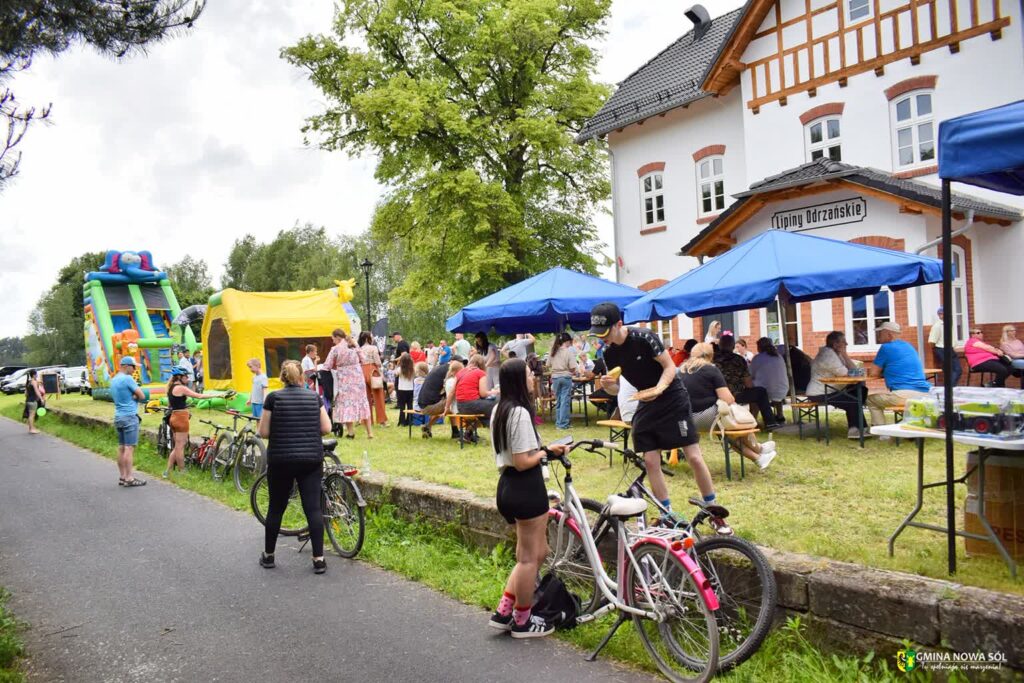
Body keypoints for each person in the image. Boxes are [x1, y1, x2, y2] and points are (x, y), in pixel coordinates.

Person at [593, 302, 731, 534]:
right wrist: (609, 387)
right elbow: (616, 391)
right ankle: (666, 514)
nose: (602, 338)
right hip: (646, 401)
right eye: (598, 334)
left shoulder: (644, 337)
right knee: (650, 461)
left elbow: (669, 367)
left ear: (619, 324)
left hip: (672, 396)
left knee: (694, 457)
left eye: (605, 333)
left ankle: (714, 512)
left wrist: (659, 389)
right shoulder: (609, 353)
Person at [488, 358, 570, 638]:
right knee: (527, 558)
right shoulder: (520, 413)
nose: (533, 378)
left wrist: (545, 448)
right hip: (525, 485)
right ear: (518, 380)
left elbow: (516, 453)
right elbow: (524, 460)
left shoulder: (500, 408)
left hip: (508, 485)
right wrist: (546, 453)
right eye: (528, 374)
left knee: (537, 552)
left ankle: (504, 610)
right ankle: (523, 621)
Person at [257, 359, 332, 574]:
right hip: (310, 460)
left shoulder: (273, 398)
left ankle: (269, 556)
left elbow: (263, 432)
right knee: (313, 508)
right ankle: (318, 559)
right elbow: (326, 428)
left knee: (276, 507)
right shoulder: (314, 397)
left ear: (282, 377)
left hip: (281, 461)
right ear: (301, 377)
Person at [681, 343, 777, 470]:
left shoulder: (680, 371)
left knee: (728, 427)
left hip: (685, 419)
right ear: (711, 355)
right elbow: (728, 398)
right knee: (732, 417)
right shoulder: (711, 370)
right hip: (706, 417)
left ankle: (759, 455)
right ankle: (759, 451)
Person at [866, 322, 931, 431]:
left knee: (871, 400)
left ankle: (882, 433)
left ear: (889, 334)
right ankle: (909, 426)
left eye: (880, 333)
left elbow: (873, 373)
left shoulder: (886, 348)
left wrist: (883, 371)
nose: (878, 336)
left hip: (904, 394)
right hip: (925, 392)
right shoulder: (908, 346)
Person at [807, 331, 868, 439]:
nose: (847, 344)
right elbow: (845, 373)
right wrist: (845, 355)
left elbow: (853, 371)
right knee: (853, 401)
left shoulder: (835, 354)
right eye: (844, 342)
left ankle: (859, 428)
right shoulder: (828, 355)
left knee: (860, 389)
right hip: (819, 392)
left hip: (830, 390)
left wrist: (845, 355)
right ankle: (856, 431)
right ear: (835, 344)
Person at [714, 333, 780, 430]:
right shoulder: (739, 359)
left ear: (719, 345)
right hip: (736, 395)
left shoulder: (712, 359)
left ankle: (751, 420)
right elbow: (748, 384)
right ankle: (770, 423)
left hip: (716, 396)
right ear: (733, 346)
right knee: (760, 392)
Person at [164, 367, 216, 479]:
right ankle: (182, 471)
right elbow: (199, 396)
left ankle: (167, 471)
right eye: (186, 376)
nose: (188, 378)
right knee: (180, 447)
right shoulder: (180, 388)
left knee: (177, 446)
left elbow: (171, 404)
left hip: (173, 417)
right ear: (179, 377)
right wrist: (218, 395)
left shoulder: (171, 388)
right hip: (181, 418)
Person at [322, 329, 374, 439]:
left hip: (344, 379)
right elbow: (364, 360)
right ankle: (370, 433)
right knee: (362, 403)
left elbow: (327, 365)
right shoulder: (354, 344)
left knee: (347, 405)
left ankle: (351, 433)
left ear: (337, 337)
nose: (333, 341)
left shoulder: (335, 349)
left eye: (333, 339)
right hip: (358, 378)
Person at [111, 357, 147, 487]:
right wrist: (135, 396)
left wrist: (131, 396)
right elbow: (142, 396)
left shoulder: (114, 379)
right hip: (130, 416)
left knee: (121, 447)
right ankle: (129, 478)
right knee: (129, 448)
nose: (134, 369)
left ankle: (122, 476)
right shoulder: (127, 379)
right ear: (126, 366)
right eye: (133, 367)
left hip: (118, 416)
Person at [455, 354, 498, 439]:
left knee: (484, 409)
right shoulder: (480, 373)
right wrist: (495, 391)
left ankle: (468, 433)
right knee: (498, 404)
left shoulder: (461, 372)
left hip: (460, 406)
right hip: (471, 405)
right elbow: (483, 394)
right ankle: (497, 431)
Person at [750, 337, 788, 422]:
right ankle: (780, 414)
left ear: (759, 347)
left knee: (753, 392)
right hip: (782, 390)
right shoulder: (779, 357)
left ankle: (753, 418)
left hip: (765, 392)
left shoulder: (757, 358)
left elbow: (750, 374)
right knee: (774, 386)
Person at [547, 332, 577, 430]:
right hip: (565, 377)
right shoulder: (568, 352)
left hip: (555, 377)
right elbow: (573, 367)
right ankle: (563, 424)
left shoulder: (553, 351)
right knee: (565, 401)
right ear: (567, 341)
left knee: (559, 401)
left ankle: (559, 423)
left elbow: (548, 364)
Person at [358, 331, 388, 427]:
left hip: (362, 371)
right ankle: (382, 421)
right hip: (372, 370)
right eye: (371, 336)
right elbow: (378, 362)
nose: (373, 338)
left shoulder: (359, 349)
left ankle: (366, 421)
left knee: (365, 398)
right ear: (367, 338)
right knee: (379, 396)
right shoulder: (373, 348)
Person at [417, 360, 453, 438]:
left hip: (423, 405)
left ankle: (427, 427)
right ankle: (457, 432)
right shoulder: (447, 374)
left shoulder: (437, 370)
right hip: (428, 407)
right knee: (451, 404)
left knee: (447, 406)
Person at [928, 307, 962, 387]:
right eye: (941, 314)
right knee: (953, 370)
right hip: (942, 349)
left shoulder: (949, 323)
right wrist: (938, 349)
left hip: (949, 349)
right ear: (939, 315)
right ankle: (949, 388)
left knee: (957, 370)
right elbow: (932, 341)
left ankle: (950, 388)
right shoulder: (937, 326)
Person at [395, 352, 416, 426]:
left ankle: (402, 421)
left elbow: (395, 374)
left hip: (401, 389)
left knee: (402, 406)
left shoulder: (399, 369)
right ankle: (410, 421)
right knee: (410, 406)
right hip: (410, 389)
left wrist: (398, 364)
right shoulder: (413, 369)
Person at [23, 369, 44, 434]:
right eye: (36, 374)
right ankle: (32, 429)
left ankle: (31, 428)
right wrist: (41, 398)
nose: (37, 375)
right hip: (33, 401)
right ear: (34, 374)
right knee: (32, 415)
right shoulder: (34, 382)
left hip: (28, 401)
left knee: (30, 415)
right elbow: (37, 391)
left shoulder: (28, 382)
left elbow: (25, 394)